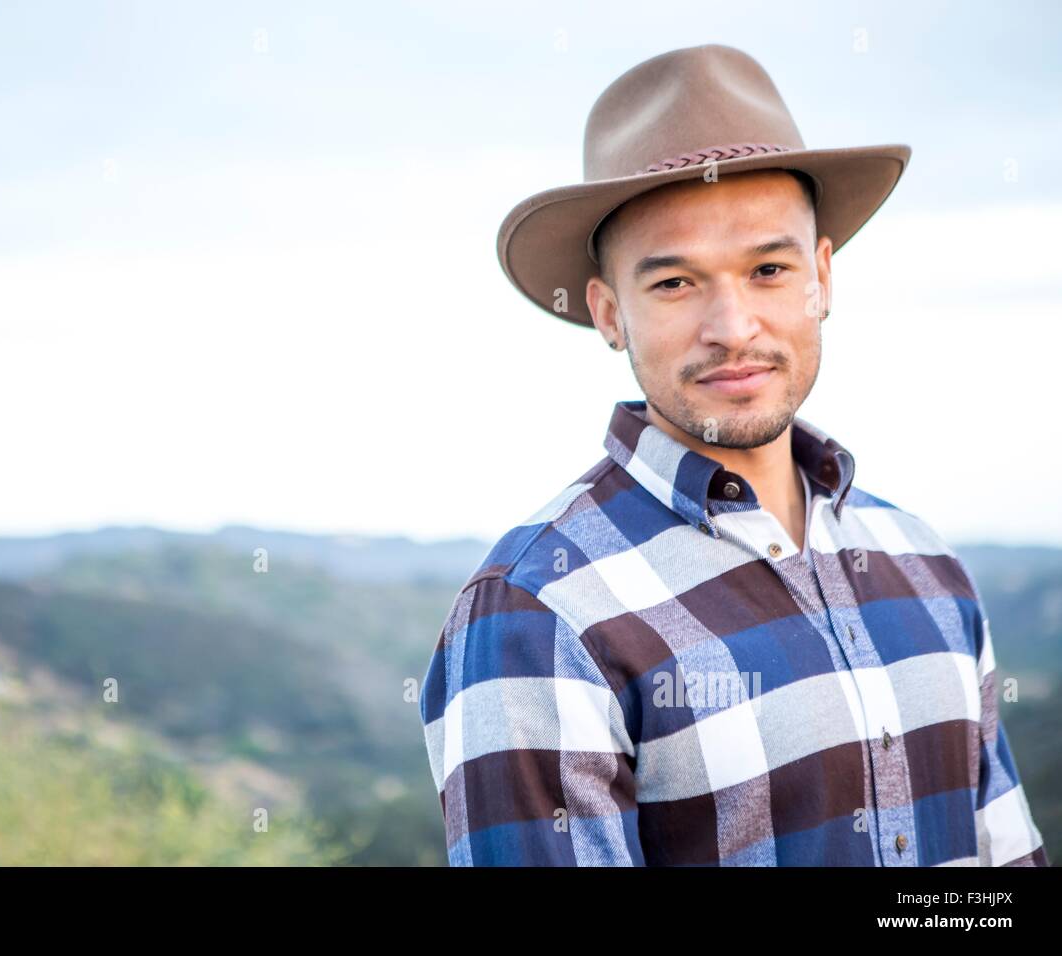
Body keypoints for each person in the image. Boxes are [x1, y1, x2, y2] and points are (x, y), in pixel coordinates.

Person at [417, 43, 1049, 866]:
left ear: (821, 278)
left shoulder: (925, 565)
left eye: (769, 268)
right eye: (675, 283)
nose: (733, 327)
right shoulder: (538, 611)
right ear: (610, 314)